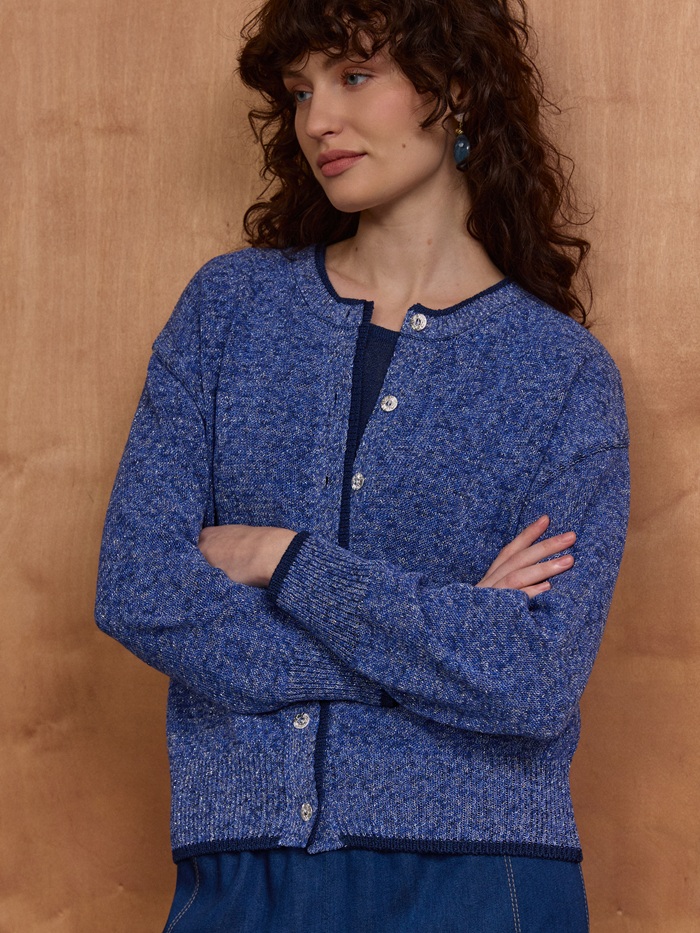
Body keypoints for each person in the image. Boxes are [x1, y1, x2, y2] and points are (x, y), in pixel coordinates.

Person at [95, 0, 630, 929]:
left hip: (482, 877)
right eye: (301, 91)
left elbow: (534, 679)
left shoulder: (561, 374)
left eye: (352, 76)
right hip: (243, 867)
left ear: (455, 89)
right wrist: (444, 636)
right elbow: (138, 588)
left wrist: (283, 559)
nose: (318, 120)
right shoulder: (229, 312)